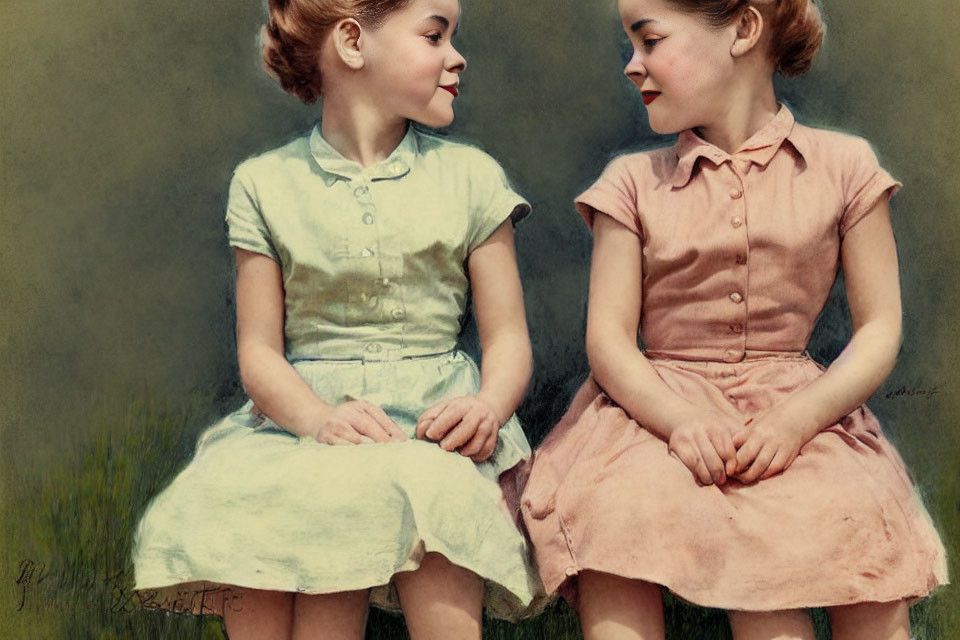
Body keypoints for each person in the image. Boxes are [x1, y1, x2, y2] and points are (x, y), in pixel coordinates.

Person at [520, 0, 948, 638]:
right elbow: (609, 341)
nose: (633, 66)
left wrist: (797, 419)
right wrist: (683, 422)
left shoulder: (845, 166)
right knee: (619, 509)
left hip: (799, 407)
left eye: (650, 39)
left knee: (853, 515)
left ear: (744, 30)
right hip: (656, 411)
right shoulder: (633, 182)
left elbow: (880, 327)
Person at [131, 0, 542, 637]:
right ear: (352, 42)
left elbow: (509, 337)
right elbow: (260, 354)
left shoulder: (472, 178)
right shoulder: (264, 184)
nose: (456, 56)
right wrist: (318, 420)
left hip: (432, 425)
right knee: (250, 508)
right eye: (434, 35)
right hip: (304, 421)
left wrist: (489, 406)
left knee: (435, 499)